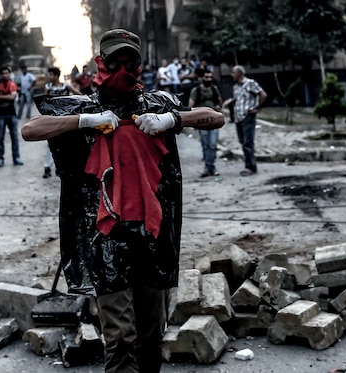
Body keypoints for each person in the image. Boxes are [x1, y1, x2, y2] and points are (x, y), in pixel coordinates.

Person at [21, 29, 224, 372]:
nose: (124, 67)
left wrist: (172, 119)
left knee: (151, 337)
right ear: (102, 62)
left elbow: (214, 117)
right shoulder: (86, 108)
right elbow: (30, 129)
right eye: (117, 60)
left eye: (131, 60)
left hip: (152, 236)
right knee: (121, 339)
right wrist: (85, 120)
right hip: (106, 241)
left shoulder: (155, 104)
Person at [223, 65, 266, 176]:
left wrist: (258, 108)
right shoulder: (236, 87)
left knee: (248, 142)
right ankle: (249, 165)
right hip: (238, 117)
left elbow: (263, 94)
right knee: (242, 141)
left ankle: (251, 167)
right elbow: (239, 99)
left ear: (239, 73)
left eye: (233, 72)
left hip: (248, 116)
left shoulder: (250, 83)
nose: (232, 75)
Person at [41, 66, 79, 178]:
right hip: (52, 119)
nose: (49, 77)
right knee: (51, 143)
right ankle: (47, 167)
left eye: (51, 74)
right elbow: (44, 102)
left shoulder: (65, 86)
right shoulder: (48, 87)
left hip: (65, 118)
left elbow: (78, 94)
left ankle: (63, 167)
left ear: (56, 76)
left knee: (66, 143)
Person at [189, 68, 223, 177]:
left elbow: (219, 102)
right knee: (205, 145)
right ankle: (209, 167)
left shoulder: (214, 89)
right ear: (202, 78)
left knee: (212, 144)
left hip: (213, 120)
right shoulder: (196, 91)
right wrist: (192, 121)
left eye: (210, 77)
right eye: (206, 77)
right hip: (202, 121)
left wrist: (218, 108)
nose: (209, 79)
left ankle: (210, 167)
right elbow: (191, 105)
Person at [0, 66, 23, 167]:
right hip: (0, 114)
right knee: (0, 138)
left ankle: (16, 158)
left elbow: (12, 97)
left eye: (7, 73)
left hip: (11, 114)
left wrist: (1, 97)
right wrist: (7, 97)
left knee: (14, 137)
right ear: (1, 74)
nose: (5, 75)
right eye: (3, 73)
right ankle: (0, 159)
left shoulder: (12, 84)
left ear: (9, 74)